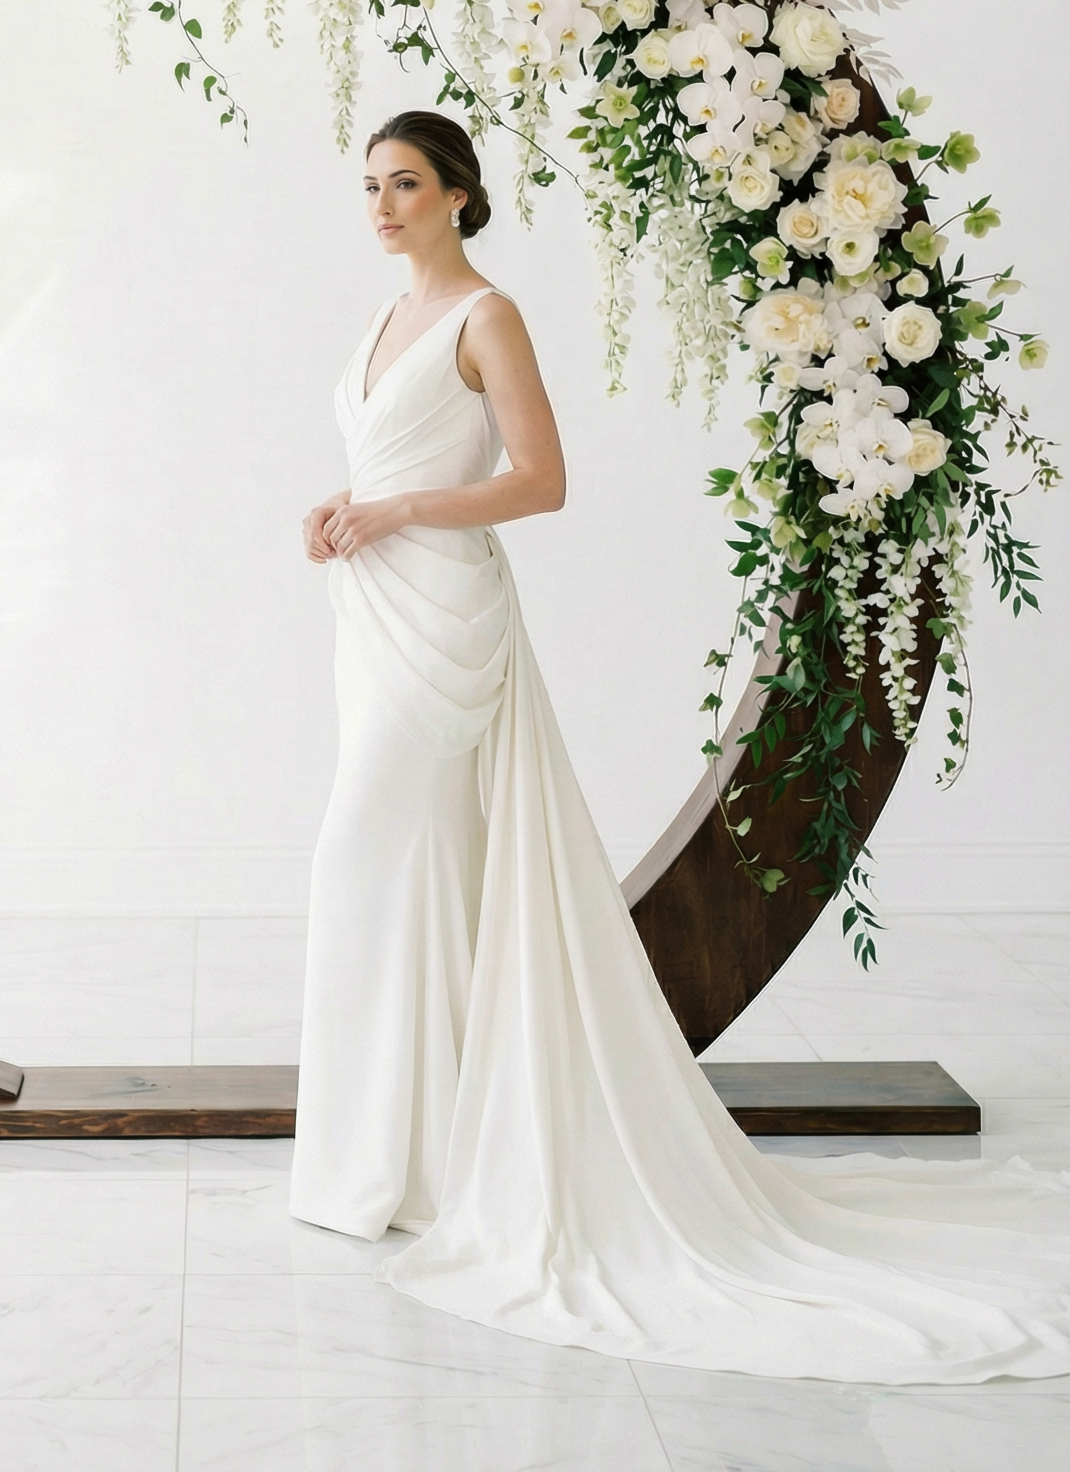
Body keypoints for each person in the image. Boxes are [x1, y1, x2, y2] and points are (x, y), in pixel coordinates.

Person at [290, 106, 1070, 1382]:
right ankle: (409, 1161)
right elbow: (386, 453)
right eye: (370, 185)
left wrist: (396, 508)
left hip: (447, 616)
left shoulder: (488, 316)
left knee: (366, 857)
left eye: (407, 184)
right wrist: (347, 506)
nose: (382, 206)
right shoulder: (379, 321)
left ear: (460, 196)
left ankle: (410, 1160)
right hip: (374, 607)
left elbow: (542, 481)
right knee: (405, 872)